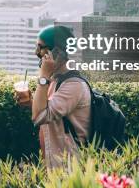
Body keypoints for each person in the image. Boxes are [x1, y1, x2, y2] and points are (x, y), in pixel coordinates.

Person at [15, 25, 91, 169]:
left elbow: (39, 117)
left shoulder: (73, 85)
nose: (36, 52)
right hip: (55, 165)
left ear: (57, 52)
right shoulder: (57, 79)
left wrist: (43, 76)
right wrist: (31, 103)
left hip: (70, 169)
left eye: (41, 47)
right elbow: (50, 111)